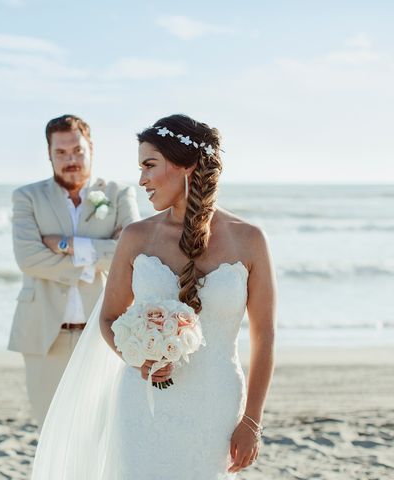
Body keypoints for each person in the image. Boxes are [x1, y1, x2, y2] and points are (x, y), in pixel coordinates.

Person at [32, 113, 276, 479]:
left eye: (150, 165)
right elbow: (110, 318)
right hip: (144, 403)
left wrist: (252, 421)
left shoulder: (250, 239)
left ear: (186, 166)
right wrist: (137, 359)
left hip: (216, 403)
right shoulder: (136, 237)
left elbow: (265, 337)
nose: (142, 179)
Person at [8, 114, 140, 429]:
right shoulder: (27, 197)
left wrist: (67, 244)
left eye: (77, 150)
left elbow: (134, 253)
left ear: (91, 147)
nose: (71, 159)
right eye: (61, 153)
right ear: (49, 154)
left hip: (104, 332)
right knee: (52, 429)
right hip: (44, 335)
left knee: (102, 429)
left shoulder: (119, 194)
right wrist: (100, 254)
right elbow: (29, 260)